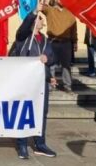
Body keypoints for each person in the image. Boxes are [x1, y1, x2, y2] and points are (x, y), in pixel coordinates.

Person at [11, 11, 57, 159]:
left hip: (41, 82)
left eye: (41, 19)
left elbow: (52, 58)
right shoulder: (23, 37)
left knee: (41, 112)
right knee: (24, 112)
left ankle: (40, 143)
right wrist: (33, 13)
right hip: (25, 81)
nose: (40, 21)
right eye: (38, 19)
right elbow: (23, 28)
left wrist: (48, 62)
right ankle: (22, 144)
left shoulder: (45, 40)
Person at [41, 0, 77, 93]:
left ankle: (67, 86)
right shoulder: (50, 10)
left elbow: (74, 29)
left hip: (66, 43)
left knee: (66, 66)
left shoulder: (70, 13)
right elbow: (41, 6)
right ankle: (51, 84)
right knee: (51, 65)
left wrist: (75, 42)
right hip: (53, 42)